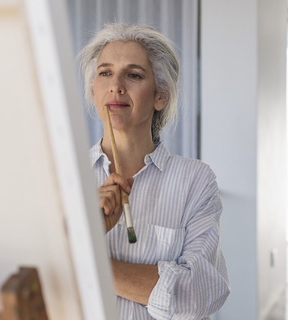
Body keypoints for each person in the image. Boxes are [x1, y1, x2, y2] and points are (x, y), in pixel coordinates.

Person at [79, 23, 230, 320]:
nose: (116, 86)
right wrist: (87, 231)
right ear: (94, 92)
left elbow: (197, 295)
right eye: (105, 72)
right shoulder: (68, 176)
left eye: (133, 75)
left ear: (160, 96)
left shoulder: (195, 181)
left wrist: (87, 260)